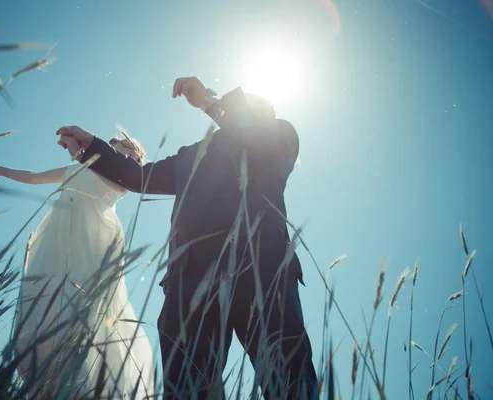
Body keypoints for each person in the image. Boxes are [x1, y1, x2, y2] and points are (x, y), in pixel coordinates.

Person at [57, 76, 317, 399]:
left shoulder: (278, 137)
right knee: (188, 390)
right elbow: (140, 176)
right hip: (190, 284)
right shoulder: (189, 155)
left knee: (290, 384)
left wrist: (209, 100)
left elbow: (251, 132)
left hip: (263, 273)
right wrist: (90, 148)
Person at [0, 135, 155, 399]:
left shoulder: (124, 177)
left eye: (120, 153)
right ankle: (48, 380)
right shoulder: (79, 166)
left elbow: (111, 178)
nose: (111, 156)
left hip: (93, 243)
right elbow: (35, 177)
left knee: (83, 312)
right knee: (47, 309)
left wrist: (77, 155)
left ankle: (82, 386)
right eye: (111, 151)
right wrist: (1, 171)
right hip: (59, 242)